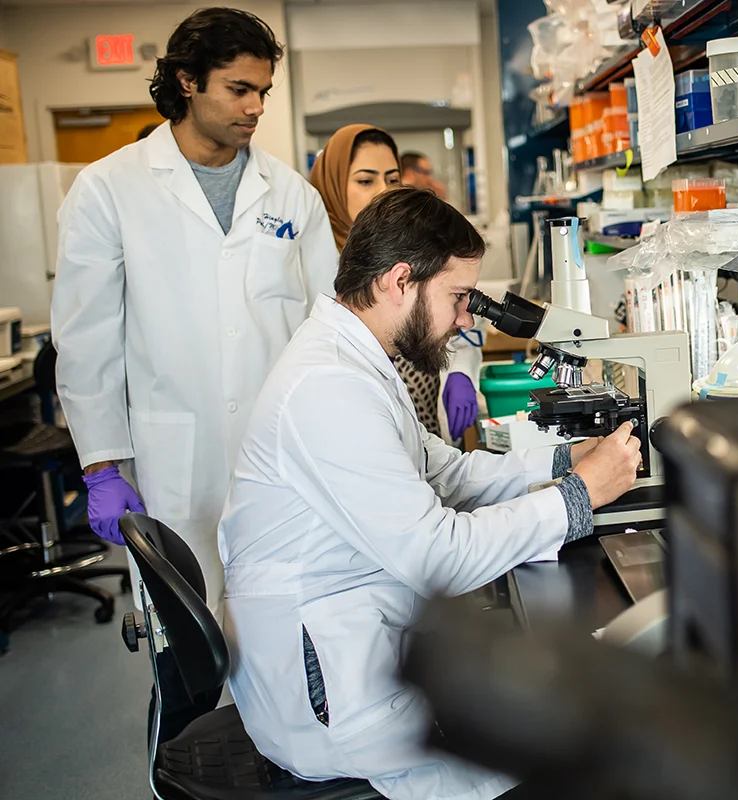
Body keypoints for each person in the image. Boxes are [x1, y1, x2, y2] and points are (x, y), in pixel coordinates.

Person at [219, 187, 641, 800]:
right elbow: (437, 555)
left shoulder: (356, 357)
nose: (467, 320)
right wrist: (578, 496)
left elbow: (443, 472)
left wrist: (564, 460)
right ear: (398, 281)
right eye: (458, 297)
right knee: (565, 755)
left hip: (357, 633)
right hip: (331, 693)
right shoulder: (328, 386)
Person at [51, 7, 337, 741]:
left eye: (264, 92)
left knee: (289, 645)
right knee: (191, 658)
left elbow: (329, 327)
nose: (256, 108)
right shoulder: (110, 187)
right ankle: (178, 772)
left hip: (282, 461)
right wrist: (101, 464)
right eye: (239, 89)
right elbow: (85, 340)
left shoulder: (291, 196)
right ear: (186, 82)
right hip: (170, 463)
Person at [311, 127, 479, 442]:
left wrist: (460, 372)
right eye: (365, 181)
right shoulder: (315, 265)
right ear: (333, 186)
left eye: (391, 179)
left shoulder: (411, 246)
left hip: (426, 430)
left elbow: (458, 319)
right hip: (365, 431)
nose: (383, 191)